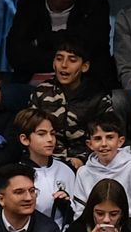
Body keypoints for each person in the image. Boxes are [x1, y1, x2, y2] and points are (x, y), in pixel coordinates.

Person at [6, 0, 115, 88]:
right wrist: (70, 54)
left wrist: (41, 42)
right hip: (31, 86)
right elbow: (15, 55)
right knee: (4, 95)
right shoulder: (28, 5)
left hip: (83, 86)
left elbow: (90, 49)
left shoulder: (96, 5)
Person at [28, 37, 117, 167]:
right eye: (59, 59)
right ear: (53, 63)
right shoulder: (41, 91)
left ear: (85, 66)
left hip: (89, 164)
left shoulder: (98, 96)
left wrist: (82, 159)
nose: (64, 65)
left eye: (72, 60)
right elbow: (29, 130)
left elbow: (107, 137)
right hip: (47, 161)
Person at [73, 116, 131, 225]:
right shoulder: (83, 172)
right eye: (98, 139)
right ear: (89, 144)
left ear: (120, 141)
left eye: (110, 137)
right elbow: (79, 212)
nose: (104, 144)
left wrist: (128, 231)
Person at [11, 107, 77, 228]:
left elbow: (79, 213)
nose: (50, 139)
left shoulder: (66, 170)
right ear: (24, 139)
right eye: (41, 134)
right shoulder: (16, 175)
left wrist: (67, 208)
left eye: (52, 134)